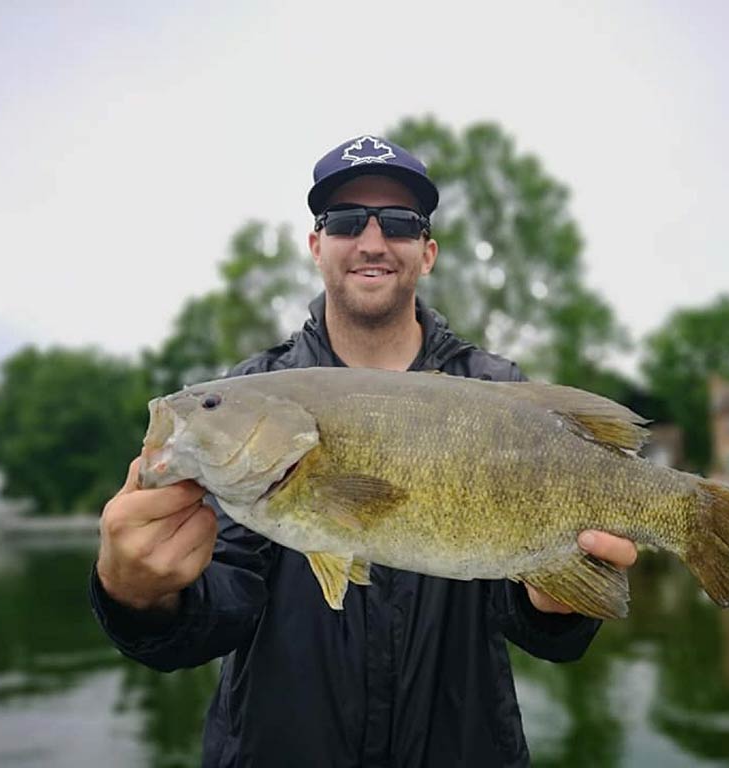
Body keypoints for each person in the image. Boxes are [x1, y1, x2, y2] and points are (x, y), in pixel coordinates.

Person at [90, 134, 638, 767]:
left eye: (400, 224)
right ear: (317, 245)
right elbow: (222, 605)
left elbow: (533, 624)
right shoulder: (254, 390)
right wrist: (139, 596)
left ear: (426, 253)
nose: (373, 242)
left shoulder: (496, 392)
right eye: (347, 221)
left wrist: (557, 603)